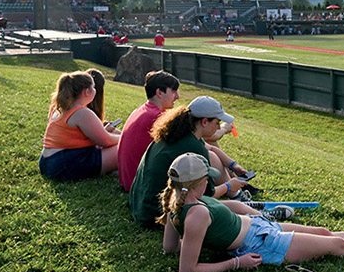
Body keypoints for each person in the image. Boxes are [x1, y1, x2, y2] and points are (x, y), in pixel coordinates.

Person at [160, 153, 344, 272]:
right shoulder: (194, 214)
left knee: (323, 233)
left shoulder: (178, 199)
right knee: (337, 245)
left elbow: (169, 248)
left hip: (260, 227)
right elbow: (187, 270)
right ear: (197, 183)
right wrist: (235, 264)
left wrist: (239, 212)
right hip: (261, 245)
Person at [129, 96, 252, 228]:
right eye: (217, 123)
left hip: (139, 205)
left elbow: (210, 148)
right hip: (157, 215)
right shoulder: (194, 149)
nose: (218, 128)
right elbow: (207, 195)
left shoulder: (177, 133)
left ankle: (244, 205)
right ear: (204, 122)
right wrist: (228, 186)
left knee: (213, 158)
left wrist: (233, 165)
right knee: (225, 210)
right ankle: (254, 215)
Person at [39, 71, 121, 181]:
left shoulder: (60, 109)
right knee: (124, 147)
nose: (95, 90)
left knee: (115, 140)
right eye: (93, 87)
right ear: (87, 92)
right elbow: (106, 141)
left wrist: (105, 131)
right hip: (62, 166)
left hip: (47, 162)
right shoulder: (81, 112)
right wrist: (126, 137)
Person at [117, 70, 181, 192]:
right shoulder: (157, 117)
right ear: (159, 92)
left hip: (130, 180)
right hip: (140, 185)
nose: (177, 97)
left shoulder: (142, 110)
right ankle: (227, 187)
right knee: (206, 153)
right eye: (173, 92)